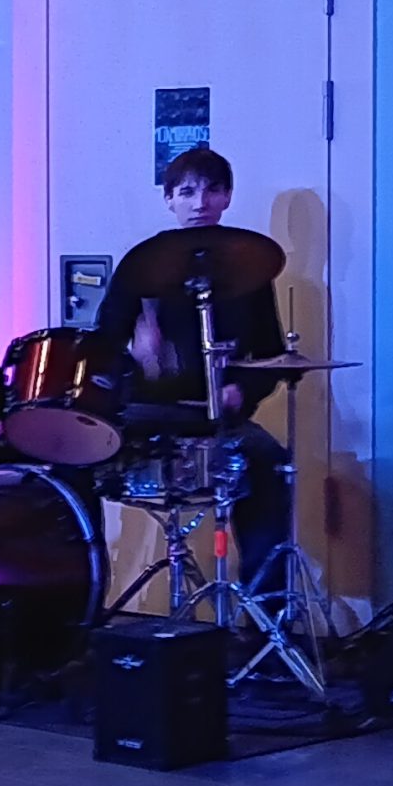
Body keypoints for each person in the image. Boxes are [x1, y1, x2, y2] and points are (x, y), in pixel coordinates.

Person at [94, 146, 289, 580]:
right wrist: (135, 361)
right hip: (146, 415)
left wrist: (243, 389)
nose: (200, 202)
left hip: (218, 419)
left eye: (212, 190)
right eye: (186, 192)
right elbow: (102, 347)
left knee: (270, 462)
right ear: (169, 200)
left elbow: (272, 355)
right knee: (70, 454)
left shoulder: (251, 271)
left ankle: (264, 604)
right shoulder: (142, 268)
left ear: (227, 197)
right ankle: (84, 589)